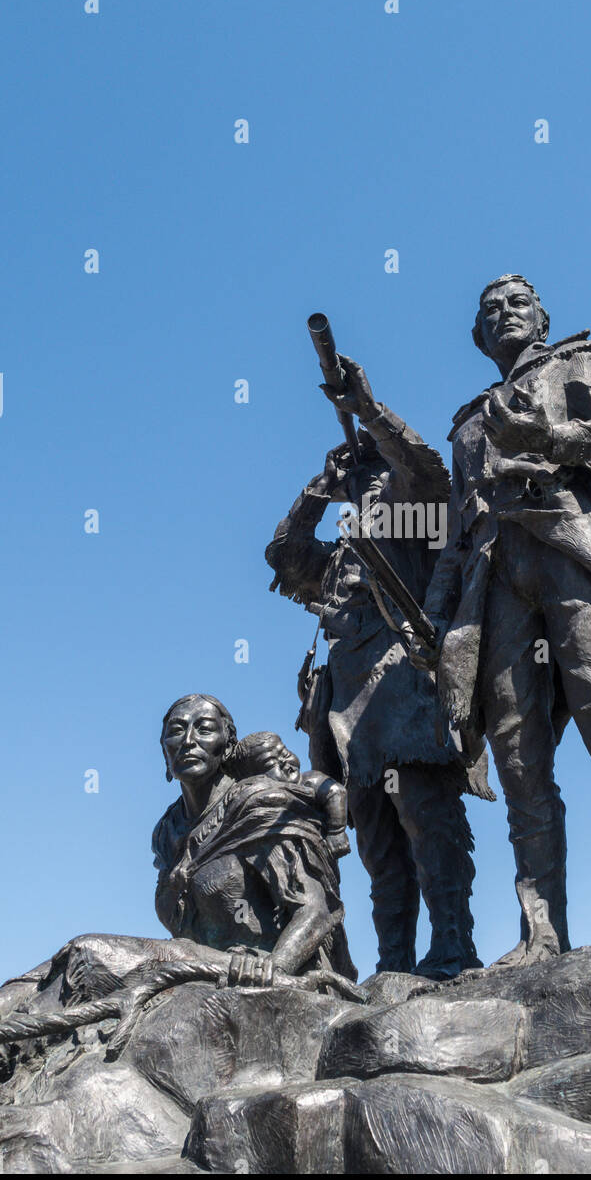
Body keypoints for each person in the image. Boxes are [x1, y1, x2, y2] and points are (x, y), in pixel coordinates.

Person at [414, 275, 591, 962]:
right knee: (519, 759)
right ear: (478, 338)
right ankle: (542, 934)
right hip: (497, 579)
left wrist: (555, 435)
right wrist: (437, 612)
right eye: (489, 311)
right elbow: (458, 528)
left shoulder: (579, 359)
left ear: (540, 315)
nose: (504, 313)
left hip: (570, 551)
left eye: (517, 303)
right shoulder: (469, 422)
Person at [266, 356, 489, 980]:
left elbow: (424, 467)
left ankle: (452, 946)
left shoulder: (415, 517)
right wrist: (318, 487)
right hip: (346, 712)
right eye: (359, 481)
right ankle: (394, 961)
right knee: (376, 843)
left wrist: (370, 415)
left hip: (405, 687)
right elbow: (284, 557)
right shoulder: (337, 555)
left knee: (428, 817)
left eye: (375, 475)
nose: (368, 486)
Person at [153, 694, 356, 982]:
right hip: (204, 971)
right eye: (176, 731)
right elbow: (173, 920)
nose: (188, 740)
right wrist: (174, 885)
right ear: (164, 751)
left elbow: (316, 912)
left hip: (277, 979)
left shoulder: (260, 803)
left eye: (204, 729)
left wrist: (276, 967)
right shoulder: (168, 831)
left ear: (226, 747)